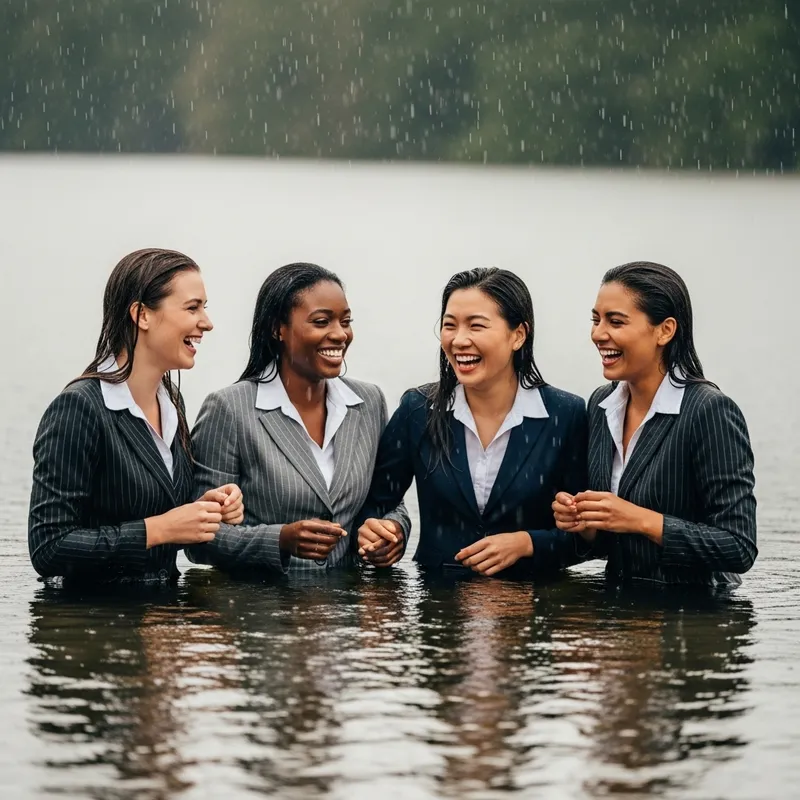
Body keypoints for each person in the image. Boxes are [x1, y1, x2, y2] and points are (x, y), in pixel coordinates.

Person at [28, 248, 243, 585]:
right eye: (192, 307)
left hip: (160, 614)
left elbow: (157, 507)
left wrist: (205, 509)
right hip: (96, 623)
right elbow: (48, 548)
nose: (207, 322)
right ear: (142, 315)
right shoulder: (78, 408)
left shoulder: (173, 402)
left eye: (205, 307)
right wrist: (157, 530)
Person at [358, 267, 588, 578]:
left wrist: (527, 543)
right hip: (440, 608)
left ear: (518, 335)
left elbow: (589, 538)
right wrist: (382, 533)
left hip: (529, 608)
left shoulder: (565, 414)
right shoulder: (418, 409)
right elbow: (375, 504)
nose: (459, 340)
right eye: (449, 325)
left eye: (476, 326)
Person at [187, 262, 409, 574]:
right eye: (321, 322)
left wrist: (392, 531)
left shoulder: (369, 402)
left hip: (346, 611)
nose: (339, 334)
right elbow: (198, 538)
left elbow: (388, 499)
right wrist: (279, 540)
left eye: (346, 321)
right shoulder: (229, 409)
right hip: (261, 613)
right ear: (278, 328)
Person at [552, 261, 757, 586]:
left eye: (615, 322)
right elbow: (610, 543)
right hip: (624, 605)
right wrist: (586, 524)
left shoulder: (709, 411)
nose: (598, 334)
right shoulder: (601, 405)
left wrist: (641, 520)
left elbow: (739, 547)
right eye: (596, 320)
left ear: (665, 330)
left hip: (696, 612)